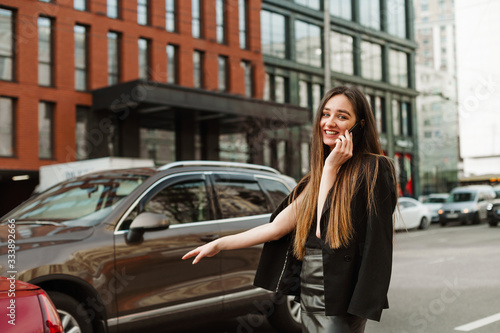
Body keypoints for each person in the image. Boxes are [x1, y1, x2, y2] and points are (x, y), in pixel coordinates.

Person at [183, 85, 398, 333]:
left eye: (342, 116)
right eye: (325, 114)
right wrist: (219, 244)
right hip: (311, 289)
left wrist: (330, 169)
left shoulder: (374, 169)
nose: (329, 122)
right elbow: (276, 229)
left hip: (342, 294)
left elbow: (324, 231)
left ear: (359, 125)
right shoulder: (315, 179)